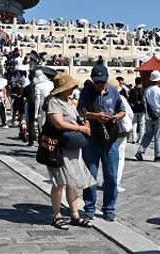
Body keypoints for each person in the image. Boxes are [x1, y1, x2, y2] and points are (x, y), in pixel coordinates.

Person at [44, 73, 95, 229]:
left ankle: (75, 215)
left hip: (72, 147)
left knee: (72, 182)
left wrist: (82, 122)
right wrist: (81, 128)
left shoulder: (68, 101)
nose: (73, 89)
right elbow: (59, 123)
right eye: (70, 87)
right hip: (59, 147)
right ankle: (57, 215)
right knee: (59, 182)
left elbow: (72, 118)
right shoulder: (54, 102)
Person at [78, 65, 128, 222]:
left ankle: (109, 208)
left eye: (102, 81)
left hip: (110, 139)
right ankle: (89, 207)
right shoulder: (86, 92)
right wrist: (96, 116)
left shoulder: (113, 91)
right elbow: (81, 111)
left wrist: (116, 117)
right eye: (97, 82)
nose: (100, 84)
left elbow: (123, 110)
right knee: (90, 175)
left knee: (111, 176)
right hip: (92, 138)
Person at [135, 71, 160, 162]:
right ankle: (158, 155)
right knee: (158, 136)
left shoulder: (147, 90)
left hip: (149, 116)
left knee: (148, 134)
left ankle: (140, 151)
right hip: (158, 116)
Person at [28, 69, 53, 147]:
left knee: (42, 127)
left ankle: (44, 145)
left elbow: (37, 101)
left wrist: (35, 114)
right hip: (53, 105)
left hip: (43, 108)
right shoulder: (51, 83)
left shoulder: (38, 85)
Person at [127, 76, 146, 146]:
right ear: (141, 82)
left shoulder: (132, 90)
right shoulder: (144, 90)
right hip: (142, 109)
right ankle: (141, 139)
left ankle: (134, 139)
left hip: (134, 109)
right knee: (142, 124)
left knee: (134, 124)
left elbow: (129, 100)